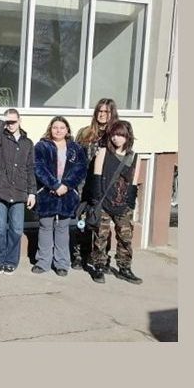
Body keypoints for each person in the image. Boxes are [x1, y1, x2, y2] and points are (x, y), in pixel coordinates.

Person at [85, 119, 142, 285]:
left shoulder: (134, 157)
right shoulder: (104, 152)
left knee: (125, 237)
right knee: (100, 237)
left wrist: (129, 204)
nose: (116, 138)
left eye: (120, 135)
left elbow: (133, 183)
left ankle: (125, 268)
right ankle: (99, 267)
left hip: (123, 205)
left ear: (128, 136)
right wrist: (97, 201)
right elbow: (96, 177)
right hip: (104, 202)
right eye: (113, 135)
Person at [32, 116, 87, 277]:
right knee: (45, 227)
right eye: (55, 127)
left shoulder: (75, 148)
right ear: (50, 129)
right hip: (46, 193)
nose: (58, 130)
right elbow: (38, 167)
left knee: (63, 229)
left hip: (67, 195)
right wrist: (54, 185)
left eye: (62, 128)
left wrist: (66, 185)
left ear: (67, 130)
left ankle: (62, 263)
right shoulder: (41, 146)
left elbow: (81, 168)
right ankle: (43, 262)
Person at [0, 109, 37, 274]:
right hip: (0, 189)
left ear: (20, 121)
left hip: (19, 190)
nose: (10, 125)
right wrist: (0, 121)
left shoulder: (27, 143)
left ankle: (10, 261)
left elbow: (30, 168)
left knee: (16, 229)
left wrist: (32, 192)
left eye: (13, 121)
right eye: (7, 122)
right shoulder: (0, 138)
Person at [73, 98, 120, 268]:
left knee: (102, 223)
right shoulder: (85, 133)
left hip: (105, 185)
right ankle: (79, 255)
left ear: (112, 113)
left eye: (106, 111)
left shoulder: (116, 134)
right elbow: (75, 157)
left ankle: (101, 258)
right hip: (84, 184)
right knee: (83, 220)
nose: (102, 114)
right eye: (99, 111)